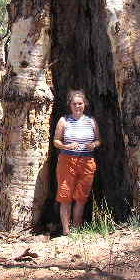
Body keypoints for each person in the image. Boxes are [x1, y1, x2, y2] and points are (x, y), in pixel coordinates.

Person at [53, 90, 101, 235]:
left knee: (81, 197)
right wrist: (65, 146)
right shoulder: (64, 120)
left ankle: (77, 230)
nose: (77, 106)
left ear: (84, 104)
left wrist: (94, 144)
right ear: (70, 105)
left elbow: (98, 140)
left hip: (87, 161)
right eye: (74, 104)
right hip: (67, 161)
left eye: (80, 103)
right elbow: (56, 141)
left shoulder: (91, 121)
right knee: (65, 196)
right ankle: (66, 232)